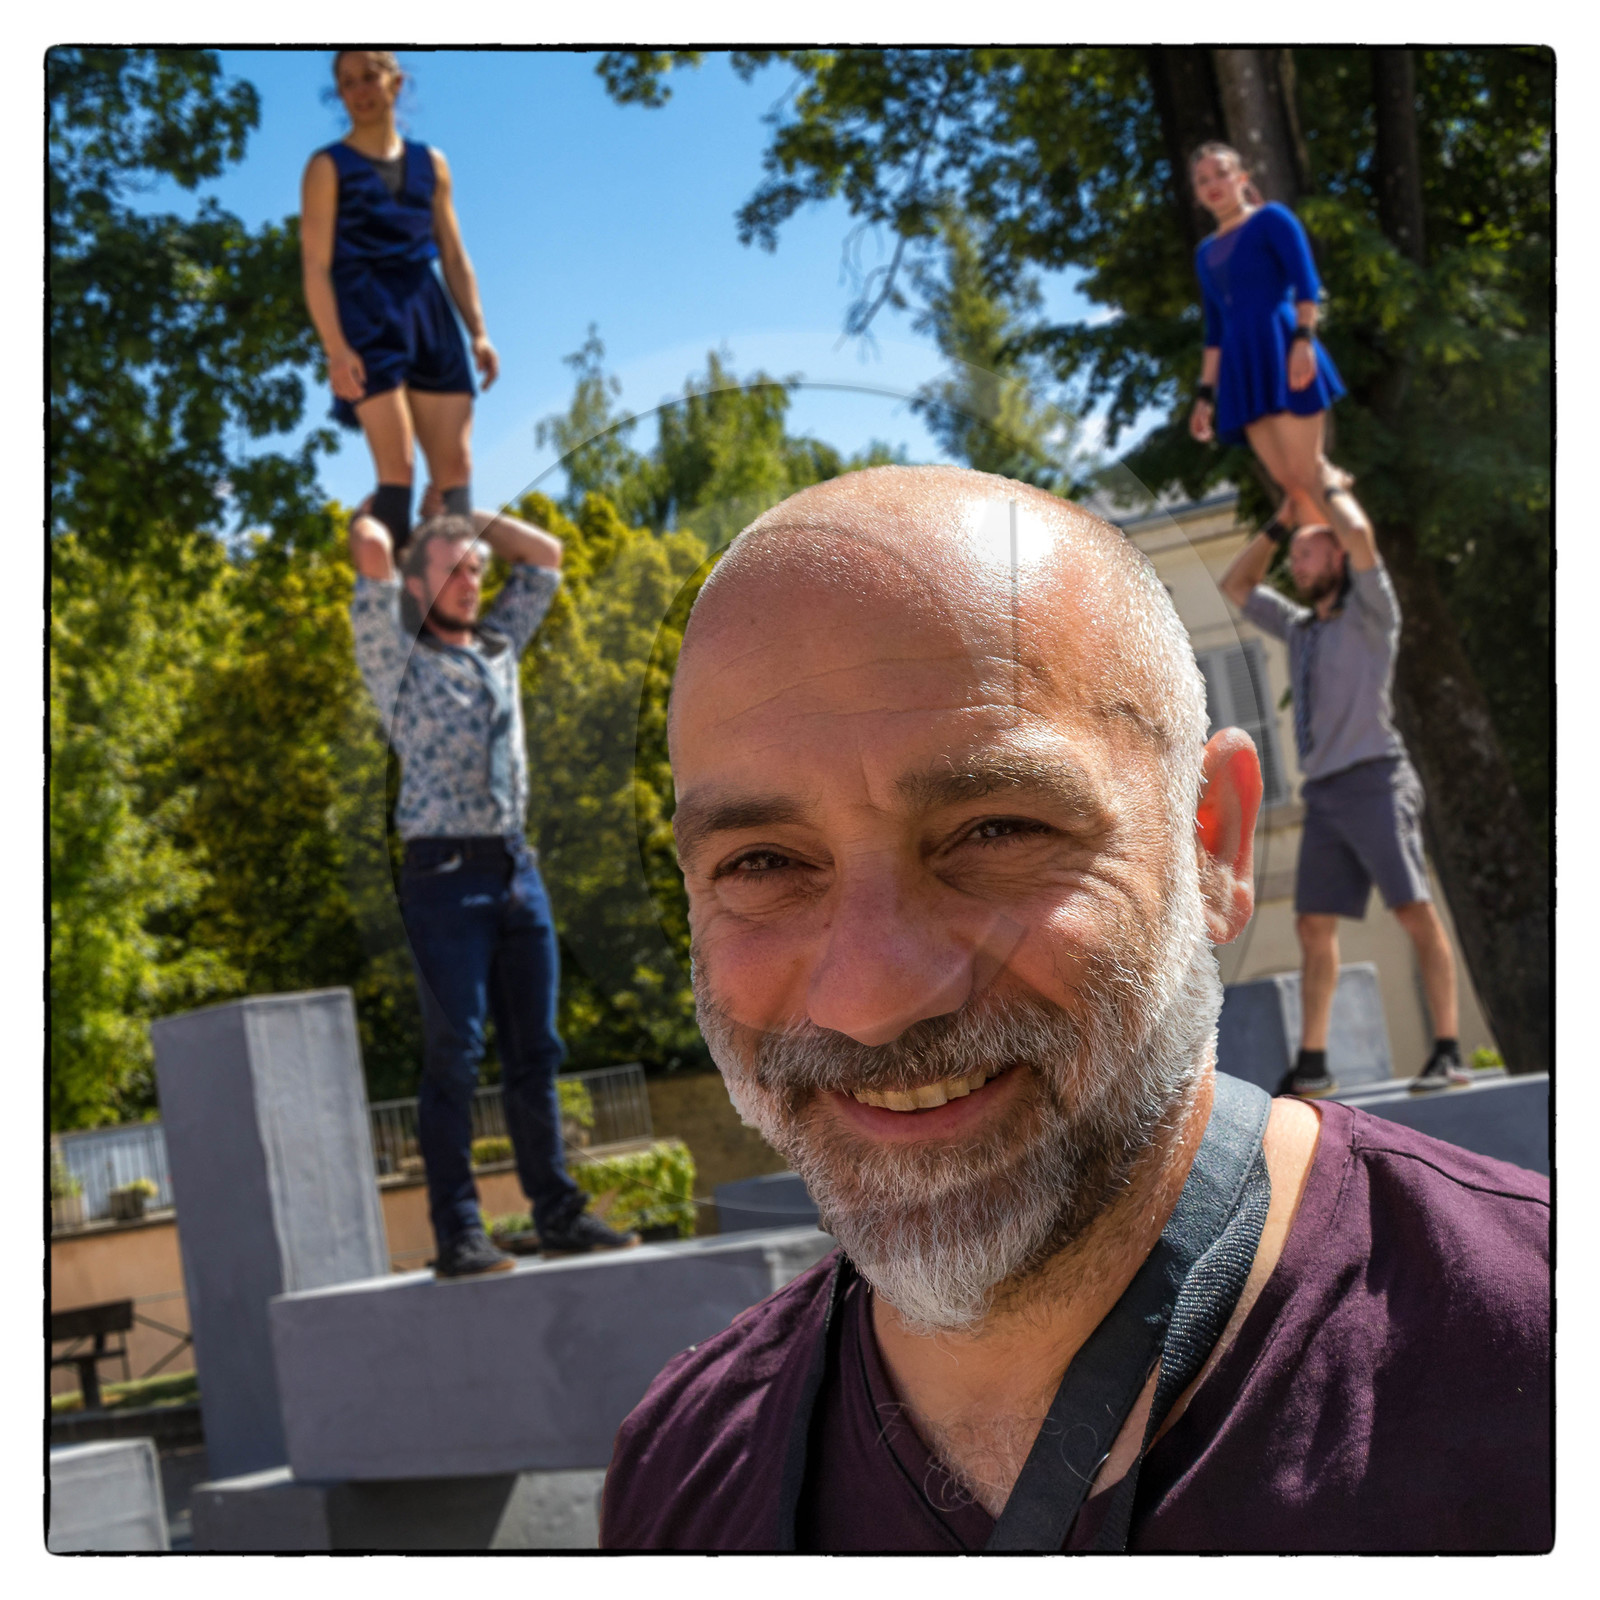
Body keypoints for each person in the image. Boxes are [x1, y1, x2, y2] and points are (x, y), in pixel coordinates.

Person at [599, 465, 1548, 1552]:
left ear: (1213, 843)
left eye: (995, 830)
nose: (868, 998)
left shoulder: (1548, 1355)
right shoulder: (678, 1478)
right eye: (763, 861)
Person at [348, 495, 638, 1277]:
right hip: (444, 878)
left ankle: (559, 1216)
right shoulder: (395, 655)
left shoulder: (500, 645)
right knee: (455, 1053)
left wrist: (472, 520)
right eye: (455, 570)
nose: (474, 579)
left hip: (517, 871)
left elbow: (543, 557)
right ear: (418, 586)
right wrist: (384, 519)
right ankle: (460, 1234)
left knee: (537, 1051)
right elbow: (372, 549)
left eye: (477, 568)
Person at [1219, 467, 1471, 1097]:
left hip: (1377, 779)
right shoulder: (1300, 629)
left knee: (1413, 910)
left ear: (1336, 552)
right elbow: (1237, 583)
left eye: (1308, 552)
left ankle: (1448, 1049)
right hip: (1325, 794)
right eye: (1295, 555)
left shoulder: (1372, 613)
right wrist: (1282, 520)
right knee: (1312, 926)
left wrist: (1326, 486)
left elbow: (1361, 534)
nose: (1297, 565)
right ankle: (1314, 1064)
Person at [303, 50, 498, 558]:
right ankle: (387, 611)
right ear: (340, 94)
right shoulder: (328, 167)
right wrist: (335, 347)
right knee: (399, 470)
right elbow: (315, 267)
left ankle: (448, 611)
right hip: (367, 317)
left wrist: (478, 330)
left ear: (396, 82)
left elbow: (454, 255)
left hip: (428, 311)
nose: (360, 90)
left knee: (454, 472)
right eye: (348, 82)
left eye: (370, 76)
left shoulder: (432, 164)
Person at [1187, 142, 1347, 531]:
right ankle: (1335, 580)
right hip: (1241, 368)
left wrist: (1303, 341)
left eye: (1221, 174)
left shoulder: (1272, 219)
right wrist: (1205, 395)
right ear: (1196, 193)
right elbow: (1216, 329)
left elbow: (1307, 285)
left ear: (1242, 179)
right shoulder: (1204, 253)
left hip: (1283, 347)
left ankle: (1362, 564)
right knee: (1291, 485)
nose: (1213, 184)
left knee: (1308, 474)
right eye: (1203, 179)